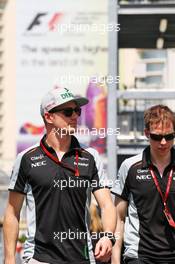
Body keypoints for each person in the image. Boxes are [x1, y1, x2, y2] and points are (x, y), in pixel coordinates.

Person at [3, 86, 116, 264]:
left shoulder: (90, 156)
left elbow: (107, 205)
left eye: (77, 111)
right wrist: (9, 259)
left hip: (82, 258)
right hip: (38, 259)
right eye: (68, 111)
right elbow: (12, 212)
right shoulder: (26, 158)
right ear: (48, 116)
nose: (75, 116)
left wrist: (108, 236)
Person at [111, 104, 175, 264]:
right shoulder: (130, 166)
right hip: (139, 256)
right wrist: (115, 259)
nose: (163, 142)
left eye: (169, 136)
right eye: (156, 136)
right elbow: (118, 218)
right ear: (146, 133)